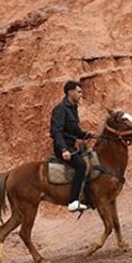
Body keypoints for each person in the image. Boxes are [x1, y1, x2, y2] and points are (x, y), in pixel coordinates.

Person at [50, 80, 95, 212]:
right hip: (62, 147)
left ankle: (87, 196)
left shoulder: (73, 108)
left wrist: (86, 134)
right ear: (70, 92)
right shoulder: (60, 109)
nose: (81, 94)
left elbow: (75, 130)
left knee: (89, 160)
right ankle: (73, 201)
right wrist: (63, 149)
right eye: (78, 92)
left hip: (71, 146)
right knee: (81, 165)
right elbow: (56, 131)